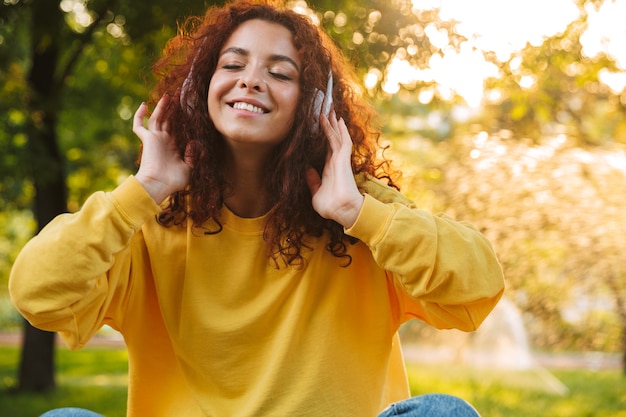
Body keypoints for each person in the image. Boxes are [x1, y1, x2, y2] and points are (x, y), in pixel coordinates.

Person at [9, 1, 505, 416]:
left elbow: (478, 288)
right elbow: (37, 294)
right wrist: (147, 186)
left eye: (279, 72)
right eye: (232, 64)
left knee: (444, 412)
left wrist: (358, 214)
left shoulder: (357, 205)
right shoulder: (148, 215)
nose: (250, 80)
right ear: (198, 89)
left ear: (315, 106)